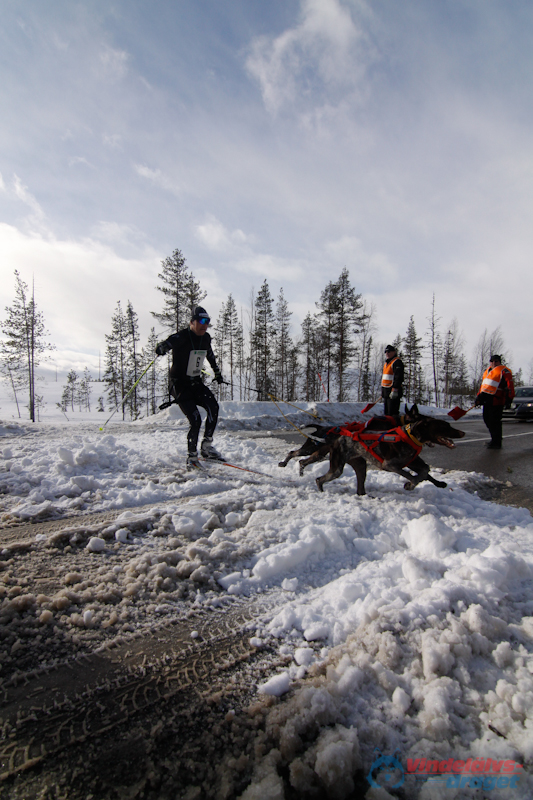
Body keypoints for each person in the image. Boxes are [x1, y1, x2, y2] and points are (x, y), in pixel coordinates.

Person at [155, 306, 225, 469]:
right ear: (192, 322)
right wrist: (161, 348)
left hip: (195, 382)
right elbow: (165, 344)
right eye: (201, 321)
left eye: (207, 322)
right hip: (179, 384)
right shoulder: (181, 336)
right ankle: (192, 458)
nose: (204, 325)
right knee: (195, 419)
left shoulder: (205, 338)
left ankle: (206, 448)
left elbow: (210, 355)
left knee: (213, 408)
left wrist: (217, 373)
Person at [475, 354, 515, 449]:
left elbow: (509, 386)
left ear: (499, 362)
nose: (493, 363)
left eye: (496, 361)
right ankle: (494, 439)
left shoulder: (504, 371)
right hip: (487, 400)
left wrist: (509, 399)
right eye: (492, 361)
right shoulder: (488, 371)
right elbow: (484, 386)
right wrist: (479, 397)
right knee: (487, 419)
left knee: (495, 421)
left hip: (497, 400)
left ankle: (496, 442)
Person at [381, 345, 404, 416]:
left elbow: (399, 377)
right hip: (386, 390)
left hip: (393, 391)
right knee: (387, 413)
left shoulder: (397, 362)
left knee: (392, 413)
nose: (387, 353)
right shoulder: (386, 364)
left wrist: (395, 389)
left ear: (394, 352)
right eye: (386, 352)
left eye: (389, 352)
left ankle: (395, 426)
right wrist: (383, 392)